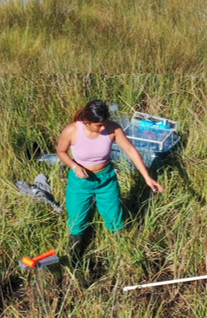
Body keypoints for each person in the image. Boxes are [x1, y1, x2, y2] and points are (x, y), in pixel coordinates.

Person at [56, 100, 163, 261]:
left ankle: (122, 253)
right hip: (80, 181)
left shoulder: (113, 128)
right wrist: (74, 166)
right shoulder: (72, 131)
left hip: (106, 179)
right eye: (99, 125)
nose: (103, 128)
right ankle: (75, 256)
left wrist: (147, 177)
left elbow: (130, 150)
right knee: (77, 217)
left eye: (105, 123)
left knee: (114, 216)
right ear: (87, 122)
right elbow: (61, 151)